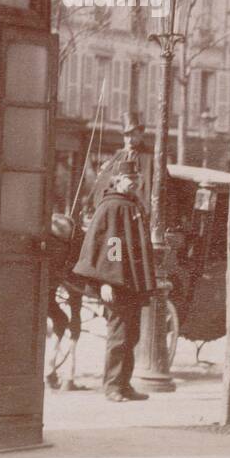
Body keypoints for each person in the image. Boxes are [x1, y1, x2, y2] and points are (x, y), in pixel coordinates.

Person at [73, 166, 157, 401]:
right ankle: (112, 386)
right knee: (119, 335)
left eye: (136, 178)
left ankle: (124, 384)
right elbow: (110, 245)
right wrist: (106, 282)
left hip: (131, 281)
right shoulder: (112, 206)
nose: (134, 182)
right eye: (129, 178)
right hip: (117, 283)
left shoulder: (131, 203)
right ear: (117, 180)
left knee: (131, 335)